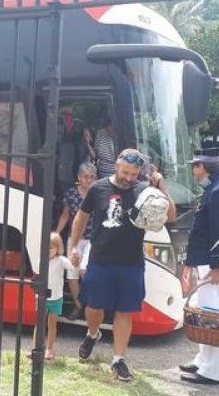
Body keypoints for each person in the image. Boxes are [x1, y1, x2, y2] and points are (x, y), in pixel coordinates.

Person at [68, 149, 175, 381]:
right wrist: (74, 246)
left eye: (134, 174)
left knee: (124, 310)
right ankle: (93, 333)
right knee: (94, 307)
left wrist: (161, 188)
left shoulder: (144, 190)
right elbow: (80, 217)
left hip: (131, 261)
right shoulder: (98, 188)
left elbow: (172, 215)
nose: (129, 178)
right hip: (100, 257)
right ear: (117, 166)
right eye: (125, 172)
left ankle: (119, 360)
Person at [179, 151, 219, 386]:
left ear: (202, 167)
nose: (193, 171)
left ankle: (212, 371)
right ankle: (203, 361)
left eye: (194, 167)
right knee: (205, 312)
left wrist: (218, 265)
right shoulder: (215, 189)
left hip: (213, 264)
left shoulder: (218, 192)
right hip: (208, 262)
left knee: (213, 316)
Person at [55, 161, 97, 313]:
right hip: (74, 239)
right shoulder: (71, 194)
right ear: (79, 177)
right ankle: (79, 306)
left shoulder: (99, 193)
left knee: (85, 271)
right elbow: (65, 215)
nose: (89, 180)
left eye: (92, 177)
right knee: (72, 275)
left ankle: (90, 304)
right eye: (86, 177)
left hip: (92, 239)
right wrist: (57, 233)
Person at [30, 232, 76, 360]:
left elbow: (72, 267)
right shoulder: (41, 260)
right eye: (46, 247)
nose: (48, 250)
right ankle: (35, 348)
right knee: (39, 324)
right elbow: (38, 275)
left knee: (52, 325)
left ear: (58, 248)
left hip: (56, 297)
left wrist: (75, 262)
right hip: (42, 297)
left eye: (51, 248)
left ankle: (49, 349)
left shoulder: (61, 260)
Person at [85, 114, 117, 179]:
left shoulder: (122, 135)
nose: (111, 129)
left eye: (113, 127)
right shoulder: (101, 133)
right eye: (109, 126)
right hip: (102, 173)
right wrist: (87, 143)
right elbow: (95, 156)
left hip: (118, 174)